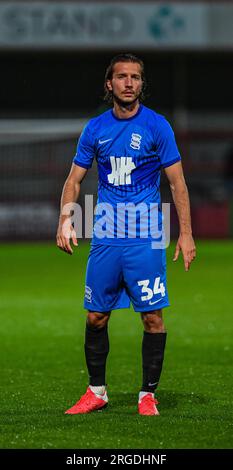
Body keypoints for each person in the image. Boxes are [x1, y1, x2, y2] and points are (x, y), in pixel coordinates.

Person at [56, 53, 196, 416]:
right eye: (122, 76)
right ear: (110, 84)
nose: (129, 82)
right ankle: (97, 391)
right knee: (96, 317)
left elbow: (177, 182)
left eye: (135, 77)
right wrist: (66, 220)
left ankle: (147, 395)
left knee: (152, 318)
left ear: (141, 84)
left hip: (146, 236)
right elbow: (74, 179)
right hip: (105, 235)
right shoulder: (95, 129)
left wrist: (186, 234)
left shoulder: (157, 126)